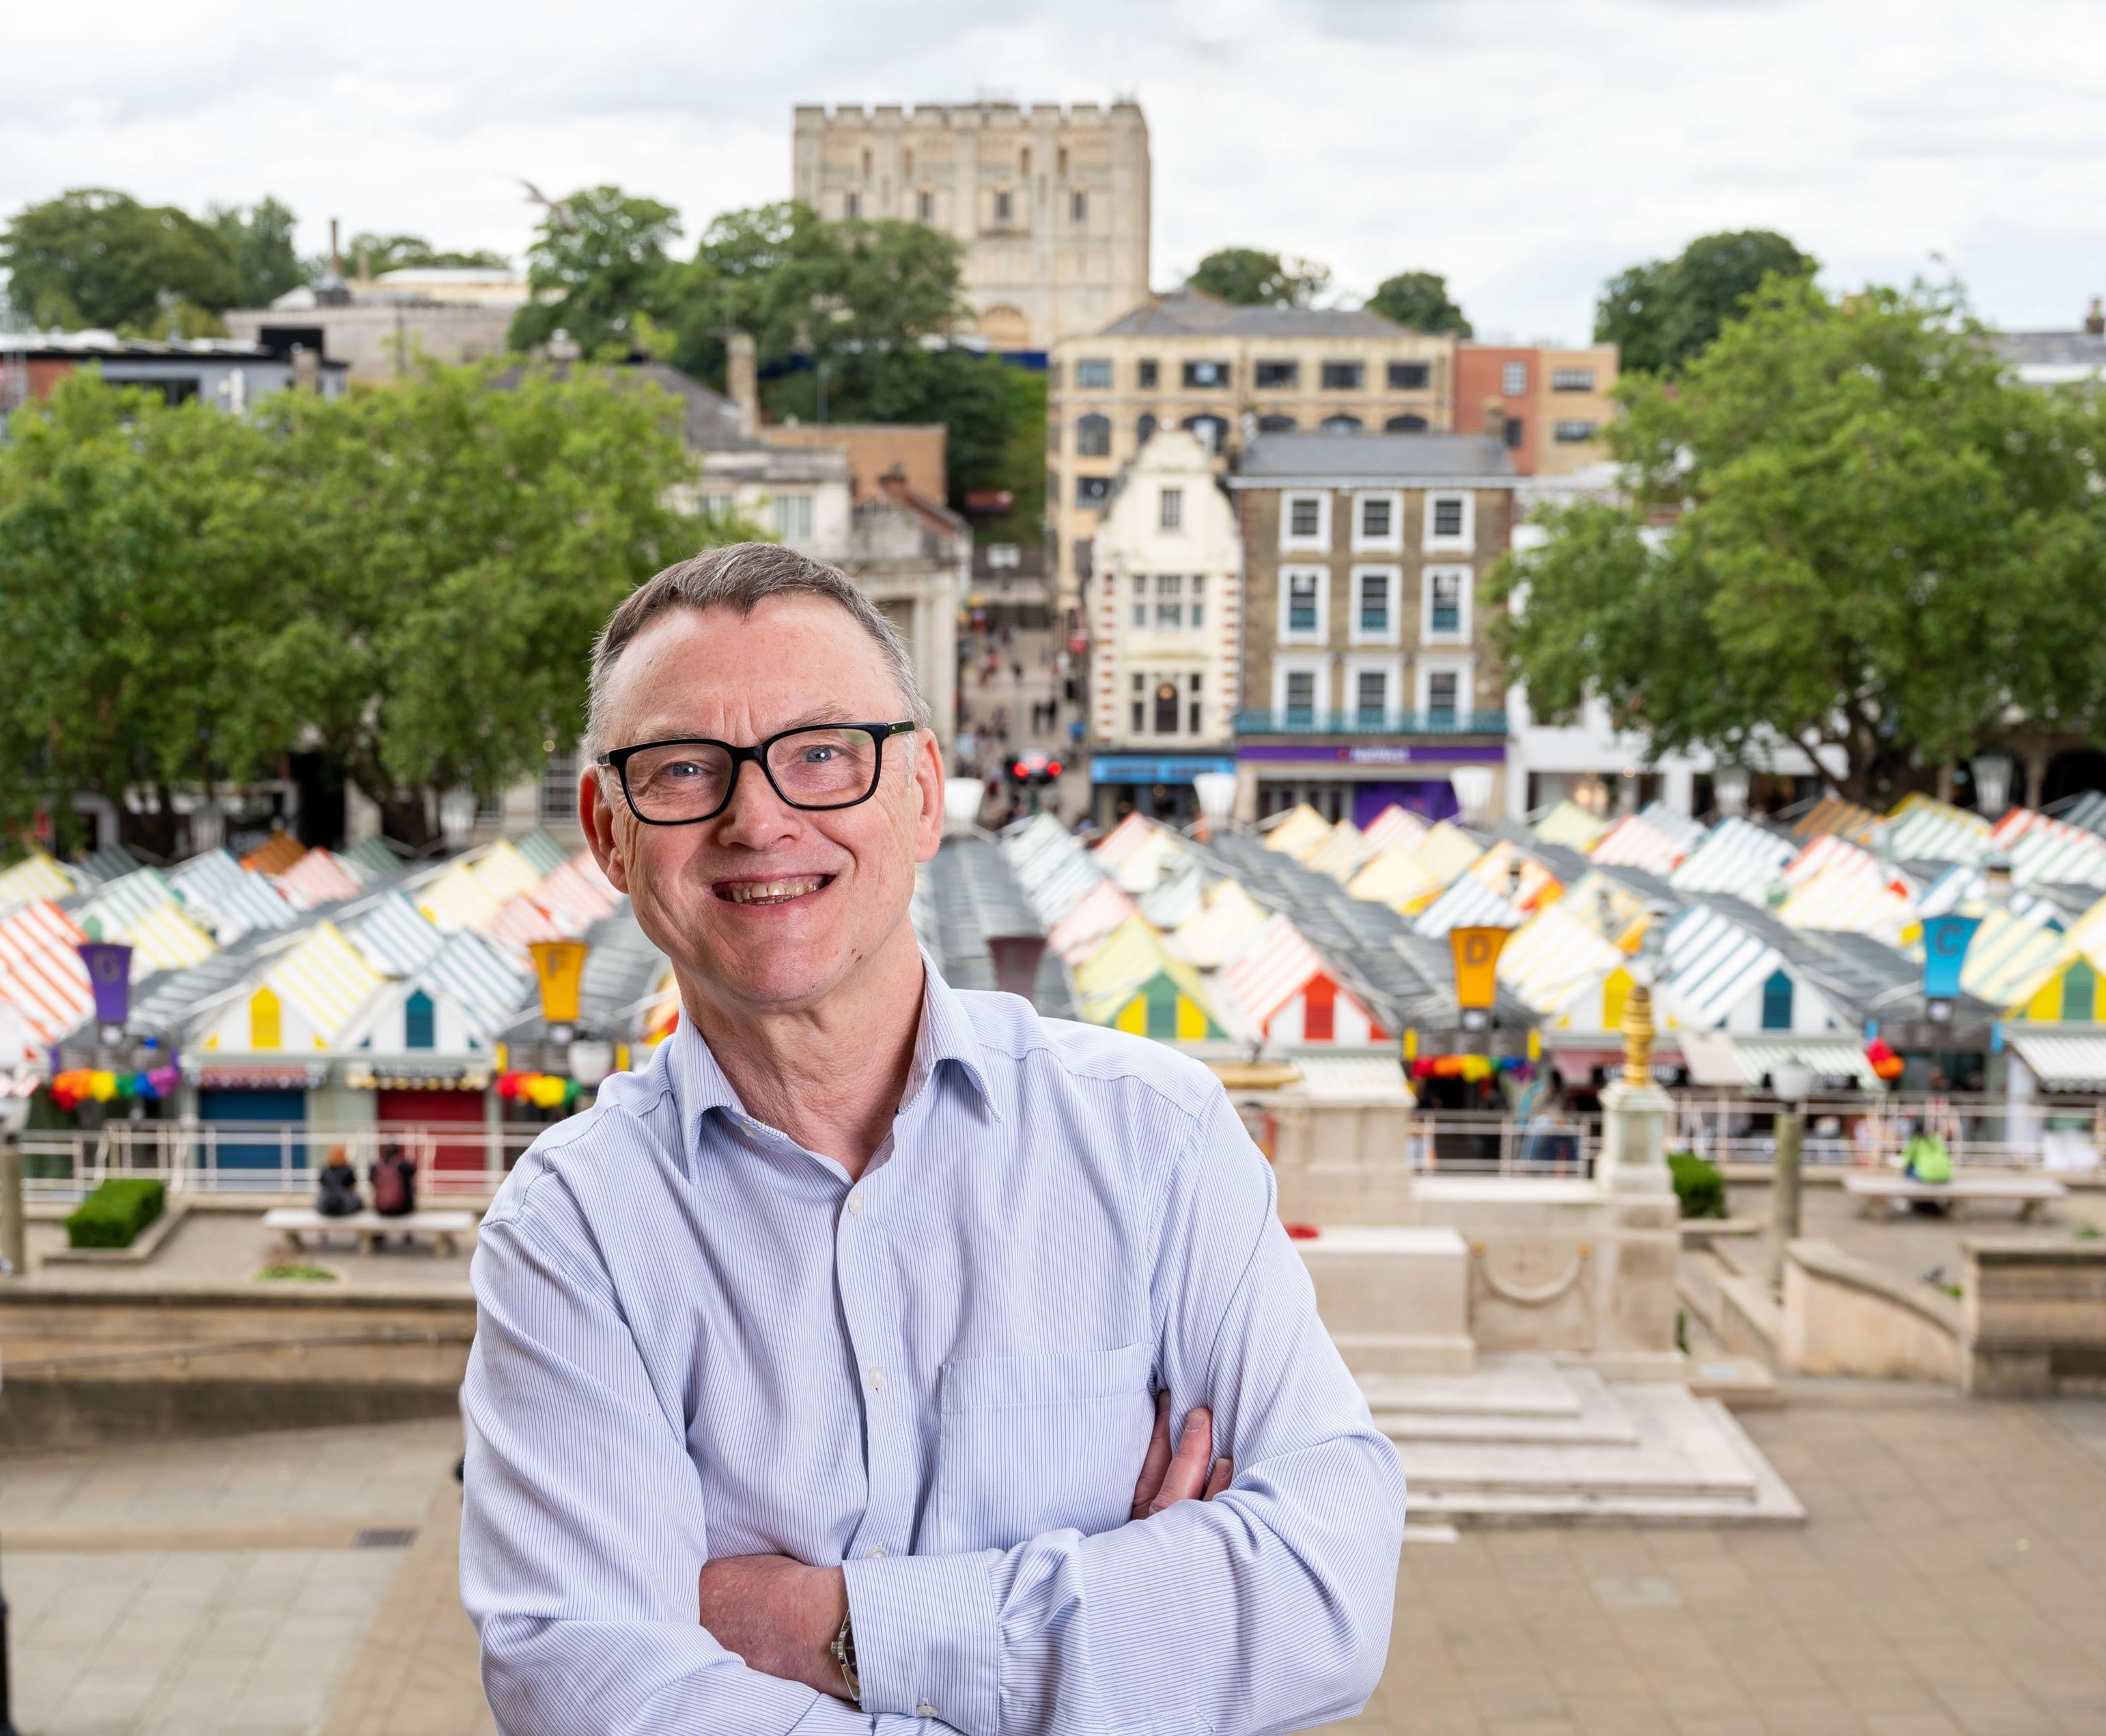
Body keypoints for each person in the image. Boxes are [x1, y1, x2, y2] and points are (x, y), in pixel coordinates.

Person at [460, 544, 1401, 1735]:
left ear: (919, 794)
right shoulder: (571, 1232)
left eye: (821, 754)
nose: (760, 817)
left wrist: (821, 1622)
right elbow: (596, 1697)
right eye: (685, 768)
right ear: (608, 828)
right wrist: (1120, 1631)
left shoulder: (1156, 1137)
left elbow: (1323, 1596)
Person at [368, 1142, 417, 1218]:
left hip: (381, 1208)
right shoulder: (404, 1165)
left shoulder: (375, 1166)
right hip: (402, 1209)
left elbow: (372, 1183)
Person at [317, 1146, 361, 1218]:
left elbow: (322, 1186)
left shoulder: (325, 1170)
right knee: (358, 1200)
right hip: (343, 1206)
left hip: (327, 1206)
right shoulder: (348, 1170)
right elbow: (352, 1188)